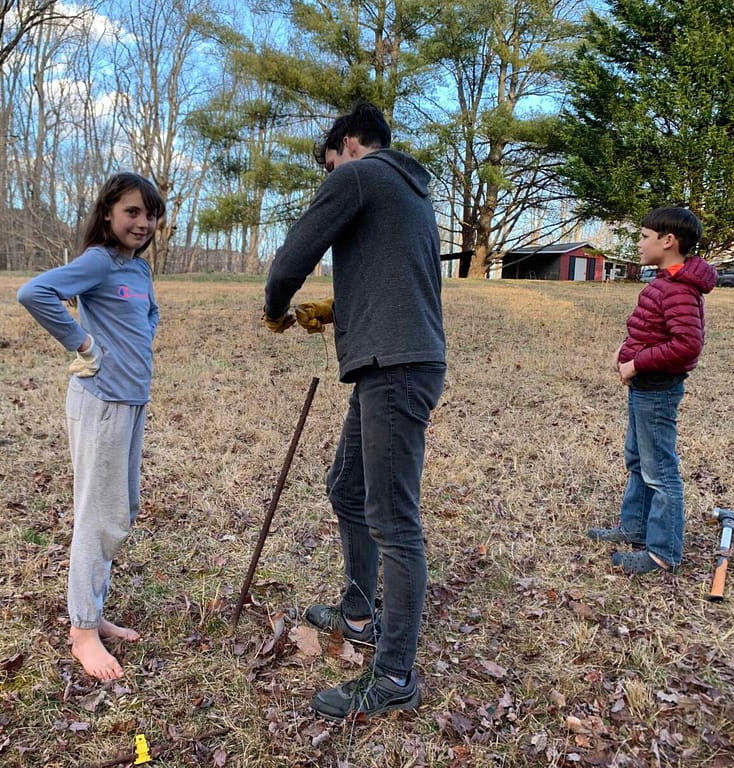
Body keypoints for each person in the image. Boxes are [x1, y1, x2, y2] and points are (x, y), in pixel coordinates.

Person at [263, 102, 446, 720]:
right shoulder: (412, 194)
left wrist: (277, 303)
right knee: (347, 487)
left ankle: (394, 676)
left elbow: (294, 253)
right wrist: (337, 312)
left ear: (346, 144)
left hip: (394, 370)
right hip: (395, 361)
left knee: (395, 520)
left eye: (330, 164)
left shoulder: (360, 176)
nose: (330, 175)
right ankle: (360, 613)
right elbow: (395, 286)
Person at [17, 173, 165, 680]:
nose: (142, 223)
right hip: (100, 402)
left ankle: (93, 614)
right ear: (107, 213)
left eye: (149, 214)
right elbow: (35, 293)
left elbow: (148, 315)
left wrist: (136, 340)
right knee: (98, 515)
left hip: (131, 402)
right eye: (131, 212)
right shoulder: (99, 261)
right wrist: (82, 344)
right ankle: (82, 631)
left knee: (120, 510)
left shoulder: (138, 269)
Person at [587, 206, 716, 574]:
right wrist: (625, 350)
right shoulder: (664, 282)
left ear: (668, 241)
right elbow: (650, 330)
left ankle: (662, 554)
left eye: (644, 237)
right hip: (644, 388)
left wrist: (637, 363)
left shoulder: (679, 289)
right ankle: (636, 527)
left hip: (657, 390)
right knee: (638, 460)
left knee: (660, 471)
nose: (639, 243)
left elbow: (687, 346)